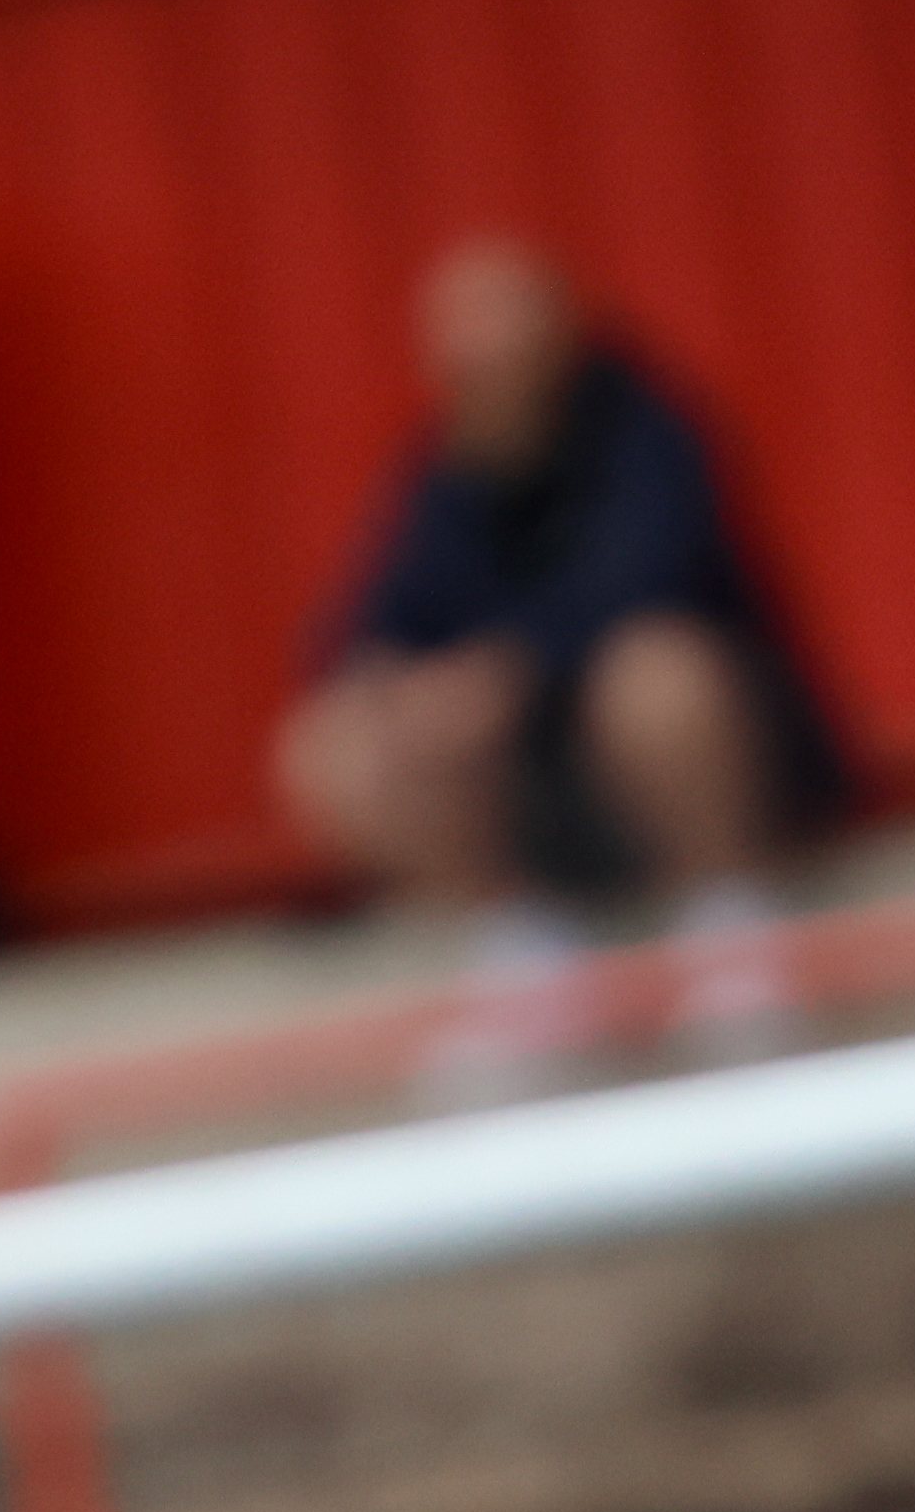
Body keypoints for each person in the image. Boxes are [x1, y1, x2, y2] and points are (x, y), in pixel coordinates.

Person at [278, 233, 851, 1096]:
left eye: (501, 326)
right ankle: (527, 956)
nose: (483, 356)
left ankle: (731, 936)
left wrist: (507, 673)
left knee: (656, 675)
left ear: (559, 331)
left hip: (710, 763)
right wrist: (401, 691)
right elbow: (363, 627)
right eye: (462, 337)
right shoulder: (443, 471)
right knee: (336, 741)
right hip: (542, 796)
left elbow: (655, 580)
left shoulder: (651, 432)